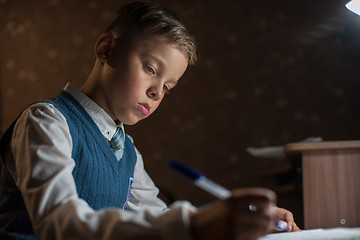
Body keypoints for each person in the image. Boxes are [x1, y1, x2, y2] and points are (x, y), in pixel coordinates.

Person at [0, 1, 300, 240]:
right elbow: (58, 224)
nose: (157, 92)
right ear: (106, 49)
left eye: (168, 87)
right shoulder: (46, 121)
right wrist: (196, 225)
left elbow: (158, 216)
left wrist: (234, 220)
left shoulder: (127, 151)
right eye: (151, 69)